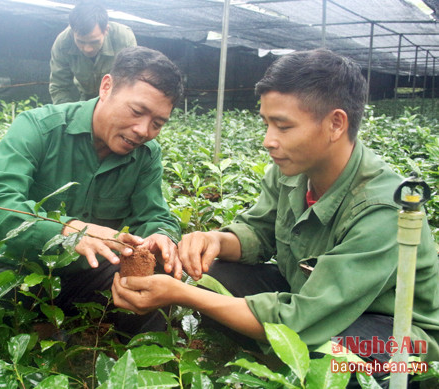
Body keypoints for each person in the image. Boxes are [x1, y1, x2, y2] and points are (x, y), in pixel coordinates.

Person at [112, 49, 439, 385]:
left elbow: (304, 318)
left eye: (282, 126)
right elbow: (259, 232)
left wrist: (182, 294)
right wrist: (214, 240)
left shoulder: (383, 208)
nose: (268, 141)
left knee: (336, 359)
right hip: (306, 294)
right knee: (212, 275)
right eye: (266, 124)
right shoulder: (294, 170)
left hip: (392, 333)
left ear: (336, 124)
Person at [0, 46, 184, 361]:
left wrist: (163, 236)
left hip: (97, 274)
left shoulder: (146, 156)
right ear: (107, 86)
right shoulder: (38, 128)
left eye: (157, 123)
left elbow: (155, 215)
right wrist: (68, 230)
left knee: (159, 284)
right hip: (26, 270)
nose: (143, 131)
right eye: (137, 112)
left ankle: (143, 368)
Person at [49, 1, 137, 105]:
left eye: (94, 42)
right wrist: (68, 116)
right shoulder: (62, 43)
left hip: (115, 98)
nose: (87, 49)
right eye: (81, 42)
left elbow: (130, 82)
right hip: (85, 97)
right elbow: (59, 87)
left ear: (106, 30)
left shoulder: (124, 39)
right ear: (73, 32)